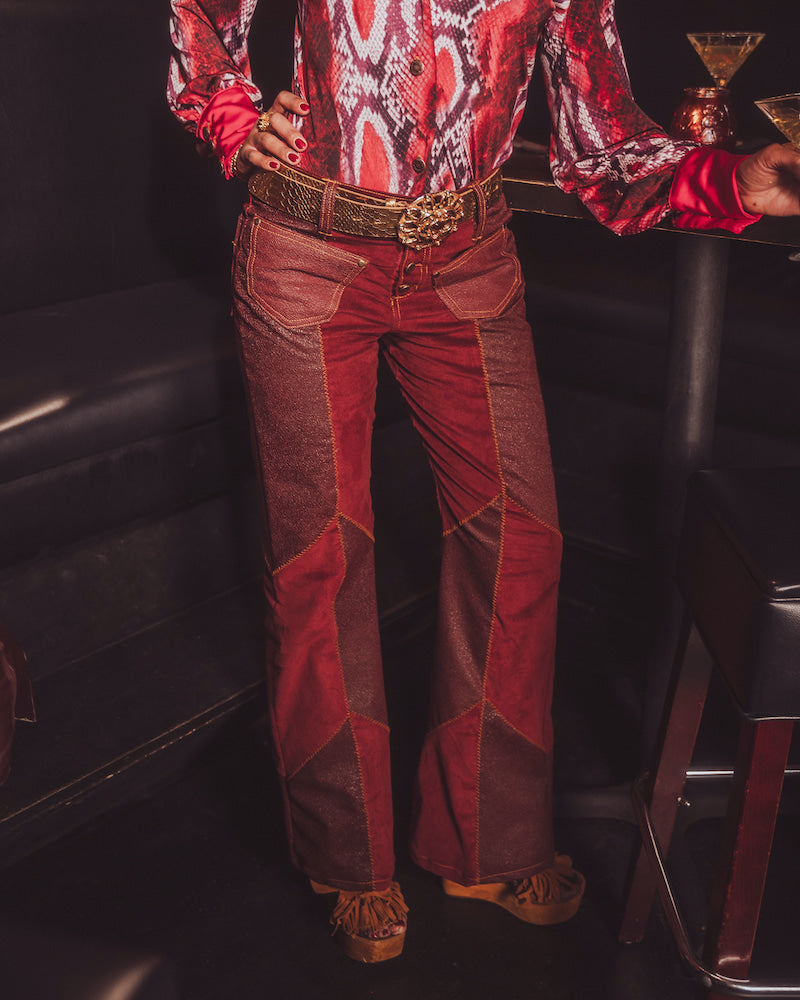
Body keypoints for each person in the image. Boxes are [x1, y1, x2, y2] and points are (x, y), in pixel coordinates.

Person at [167, 0, 800, 963]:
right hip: (308, 253)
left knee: (521, 536)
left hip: (467, 259)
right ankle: (354, 865)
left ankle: (484, 845)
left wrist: (736, 181)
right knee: (321, 556)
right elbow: (203, 19)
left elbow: (605, 146)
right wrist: (233, 115)